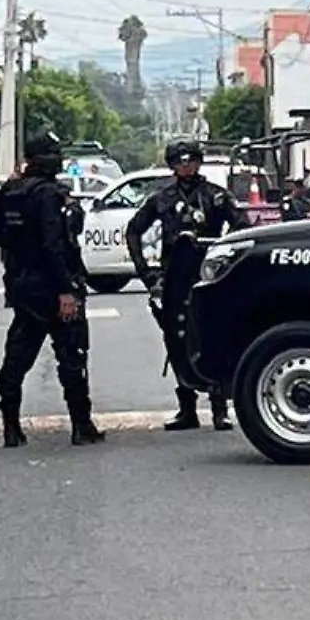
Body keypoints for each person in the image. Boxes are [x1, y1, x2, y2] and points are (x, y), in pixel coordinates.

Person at [0, 129, 106, 448]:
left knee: (16, 358)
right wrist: (66, 290)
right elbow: (54, 245)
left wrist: (20, 247)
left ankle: (11, 428)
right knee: (72, 356)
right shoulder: (49, 194)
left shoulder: (12, 191)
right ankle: (81, 426)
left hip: (23, 285)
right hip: (54, 286)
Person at [127, 139, 248, 431]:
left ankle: (219, 408)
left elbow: (243, 226)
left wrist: (226, 261)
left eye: (191, 160)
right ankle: (186, 408)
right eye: (180, 162)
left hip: (208, 277)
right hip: (174, 278)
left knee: (213, 336)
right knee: (176, 338)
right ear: (172, 166)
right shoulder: (162, 198)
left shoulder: (216, 196)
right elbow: (134, 231)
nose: (186, 166)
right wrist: (148, 274)